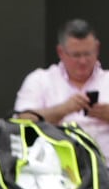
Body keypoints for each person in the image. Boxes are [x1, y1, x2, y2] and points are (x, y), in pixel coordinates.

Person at [13, 18, 109, 152]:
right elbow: (21, 122)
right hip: (53, 168)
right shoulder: (40, 80)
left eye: (88, 53)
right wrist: (63, 110)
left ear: (97, 48)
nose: (83, 61)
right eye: (76, 55)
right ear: (61, 52)